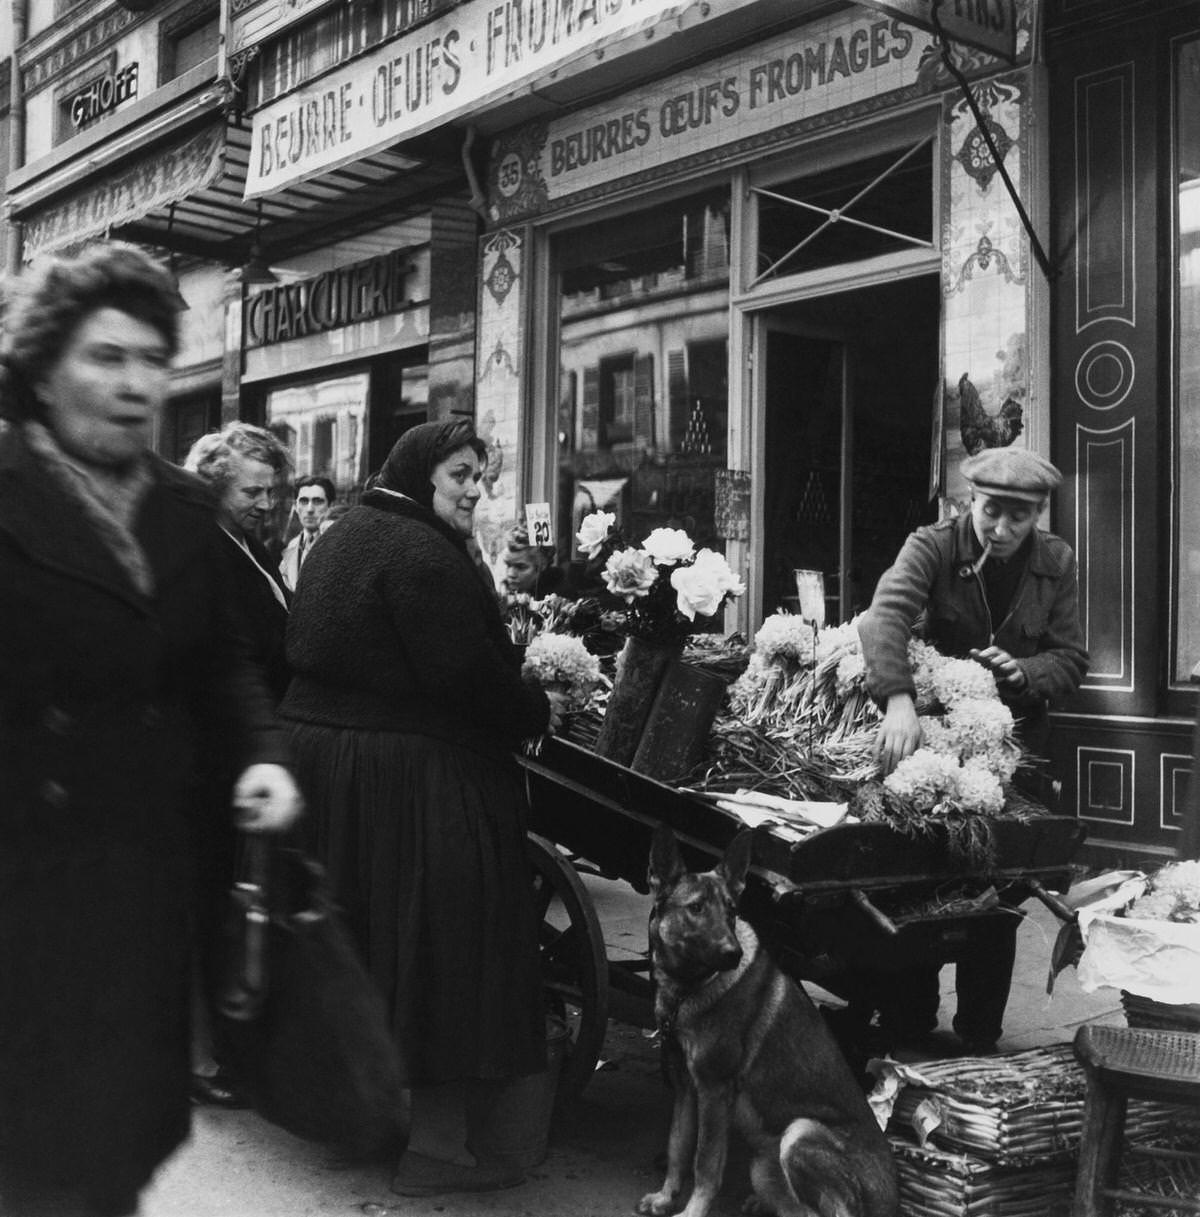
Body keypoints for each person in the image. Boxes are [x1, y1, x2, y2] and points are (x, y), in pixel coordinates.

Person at [0, 242, 303, 1217]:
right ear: (45, 371)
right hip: (22, 884)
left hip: (143, 883)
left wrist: (260, 755)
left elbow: (218, 659)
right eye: (104, 357)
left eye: (148, 359)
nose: (133, 384)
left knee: (113, 1151)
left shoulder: (181, 507)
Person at [279, 419, 566, 1197]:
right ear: (420, 474)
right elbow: (468, 678)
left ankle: (351, 1117)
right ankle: (440, 1148)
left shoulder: (342, 537)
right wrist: (535, 706)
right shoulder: (424, 556)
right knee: (442, 947)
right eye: (462, 474)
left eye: (481, 476)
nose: (476, 489)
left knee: (360, 945)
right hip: (408, 779)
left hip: (325, 771)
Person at [855, 445, 1089, 1055]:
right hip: (933, 742)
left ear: (1040, 512)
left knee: (999, 890)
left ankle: (980, 1033)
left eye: (1020, 516)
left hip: (1014, 750)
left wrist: (1024, 672)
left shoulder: (1056, 561)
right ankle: (908, 1021)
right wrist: (899, 701)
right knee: (919, 877)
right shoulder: (932, 545)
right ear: (970, 502)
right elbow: (885, 619)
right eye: (991, 512)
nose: (1003, 529)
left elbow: (1070, 658)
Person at [184, 422, 292, 701]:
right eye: (252, 492)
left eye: (269, 492)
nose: (266, 505)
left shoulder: (252, 544)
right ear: (216, 488)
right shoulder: (201, 552)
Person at [278, 474, 335, 591]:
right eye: (304, 501)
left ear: (330, 506)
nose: (309, 509)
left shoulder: (337, 543)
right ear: (295, 506)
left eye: (318, 501)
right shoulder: (292, 546)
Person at [501, 523, 563, 597]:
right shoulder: (502, 592)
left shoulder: (559, 600)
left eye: (520, 567)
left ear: (542, 566)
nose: (511, 574)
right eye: (508, 565)